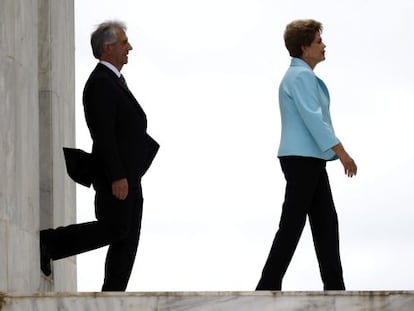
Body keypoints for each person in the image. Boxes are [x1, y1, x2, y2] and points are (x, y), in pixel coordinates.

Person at [39, 20, 159, 291]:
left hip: (130, 176)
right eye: (124, 42)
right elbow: (102, 134)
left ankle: (113, 297)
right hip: (116, 178)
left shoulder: (113, 81)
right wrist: (117, 175)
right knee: (115, 228)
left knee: (127, 238)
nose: (130, 47)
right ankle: (49, 242)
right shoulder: (101, 83)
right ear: (108, 48)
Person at [256, 19, 357, 291]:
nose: (324, 46)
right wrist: (342, 152)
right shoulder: (300, 77)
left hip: (308, 159)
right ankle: (267, 287)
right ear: (304, 48)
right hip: (302, 159)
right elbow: (314, 120)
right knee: (294, 224)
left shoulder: (302, 76)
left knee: (325, 222)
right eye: (318, 42)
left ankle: (334, 287)